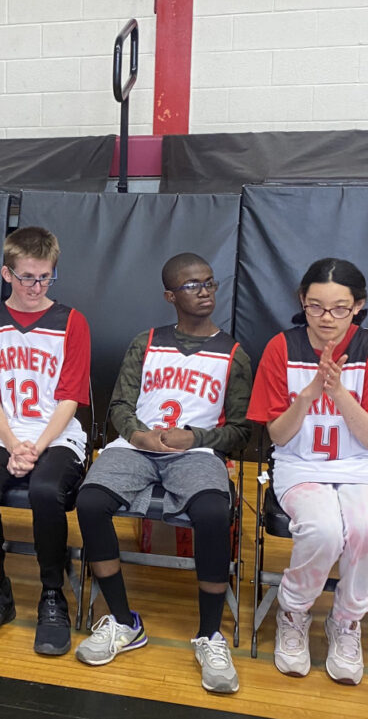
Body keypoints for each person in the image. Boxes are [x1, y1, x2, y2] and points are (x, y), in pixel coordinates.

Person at [74, 252, 251, 694]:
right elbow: (118, 407)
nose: (205, 290)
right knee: (90, 501)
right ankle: (122, 621)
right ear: (171, 295)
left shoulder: (234, 353)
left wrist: (197, 439)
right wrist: (141, 437)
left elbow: (243, 430)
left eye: (209, 282)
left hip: (196, 452)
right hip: (139, 447)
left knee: (213, 512)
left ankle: (210, 636)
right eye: (193, 285)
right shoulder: (146, 342)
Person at [247, 257, 368, 686]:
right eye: (315, 306)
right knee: (323, 530)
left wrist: (338, 393)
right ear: (302, 302)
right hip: (299, 465)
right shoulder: (282, 347)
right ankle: (294, 611)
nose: (326, 318)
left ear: (358, 306)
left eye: (339, 307)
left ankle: (345, 622)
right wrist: (311, 391)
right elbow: (278, 434)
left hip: (358, 466)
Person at [0, 226, 90, 655]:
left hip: (58, 433)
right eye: (27, 277)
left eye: (45, 277)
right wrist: (14, 442)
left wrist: (36, 446)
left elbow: (71, 397)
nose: (36, 287)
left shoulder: (72, 321)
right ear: (6, 273)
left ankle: (53, 594)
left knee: (46, 490)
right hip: (3, 429)